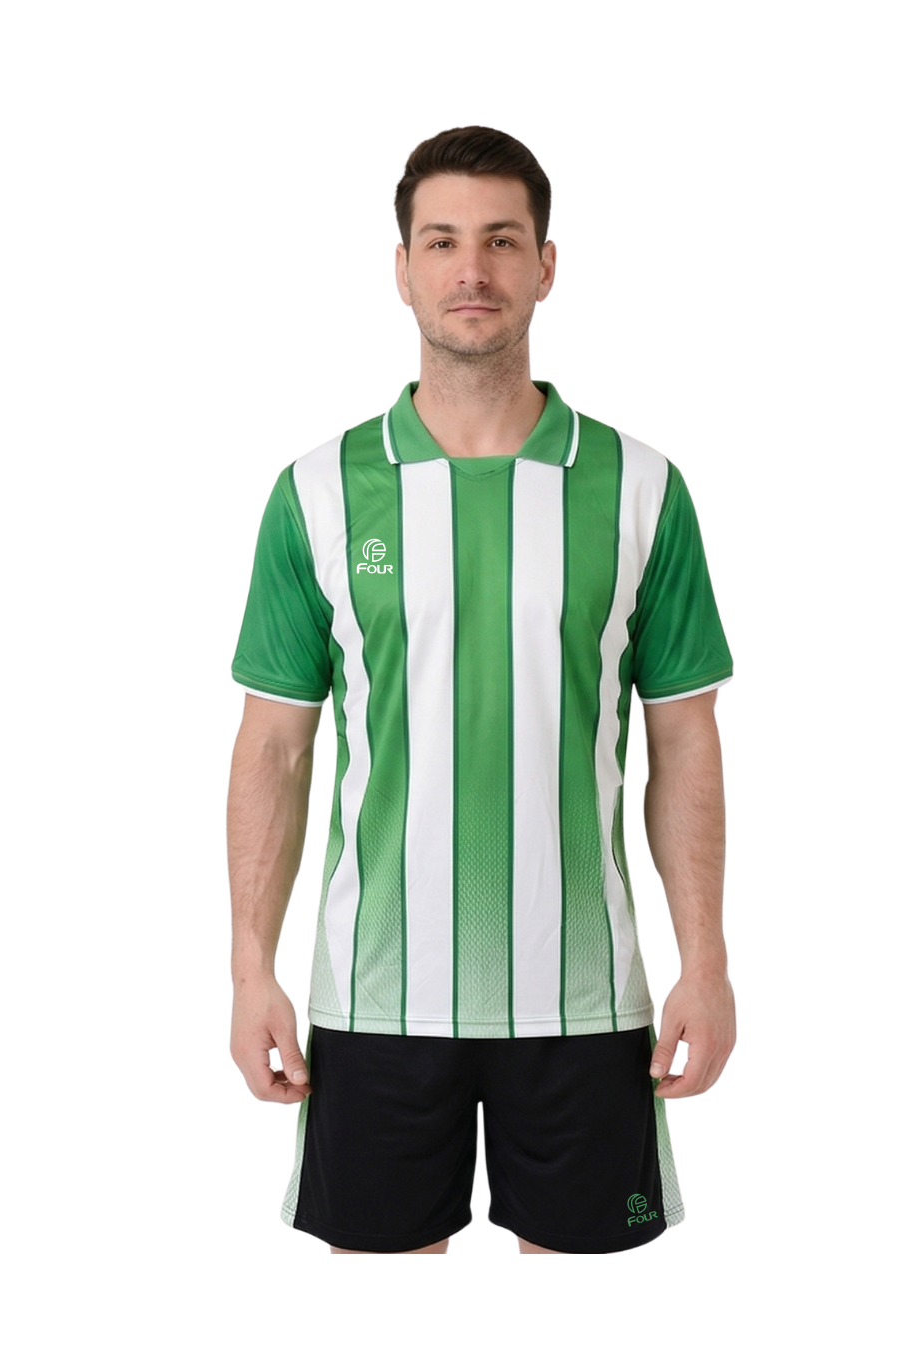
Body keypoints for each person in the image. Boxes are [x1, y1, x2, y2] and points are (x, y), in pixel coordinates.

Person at [227, 126, 735, 1256]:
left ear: (545, 266)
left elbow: (685, 740)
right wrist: (250, 967)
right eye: (442, 241)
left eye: (502, 241)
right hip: (376, 997)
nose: (472, 270)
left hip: (585, 999)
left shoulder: (639, 487)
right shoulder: (318, 491)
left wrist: (705, 959)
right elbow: (274, 748)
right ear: (401, 268)